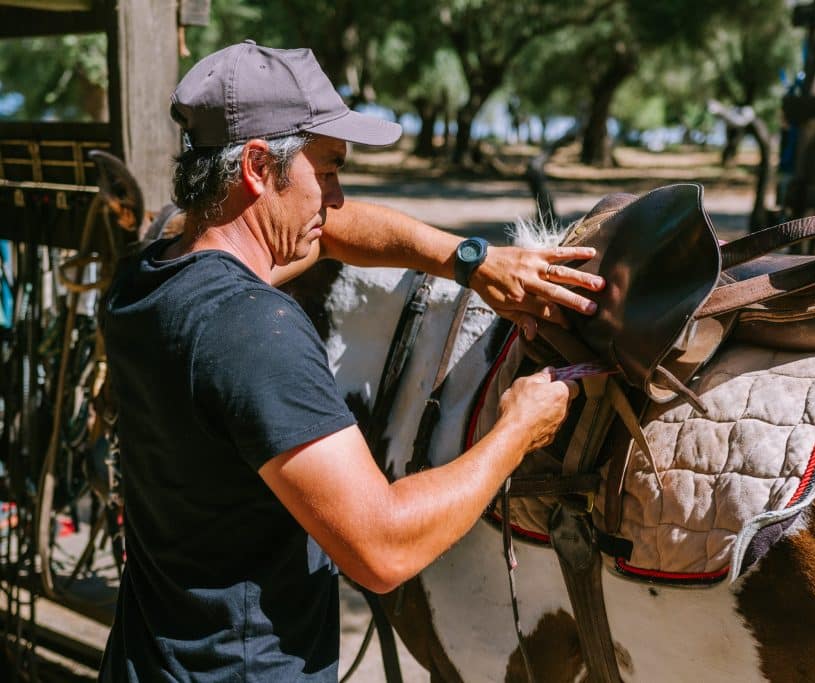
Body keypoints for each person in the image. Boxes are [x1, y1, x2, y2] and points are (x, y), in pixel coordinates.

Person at [97, 42, 604, 681]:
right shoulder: (256, 331)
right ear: (258, 166)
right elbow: (382, 548)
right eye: (329, 170)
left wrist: (472, 262)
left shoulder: (145, 278)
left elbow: (335, 231)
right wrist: (514, 433)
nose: (335, 198)